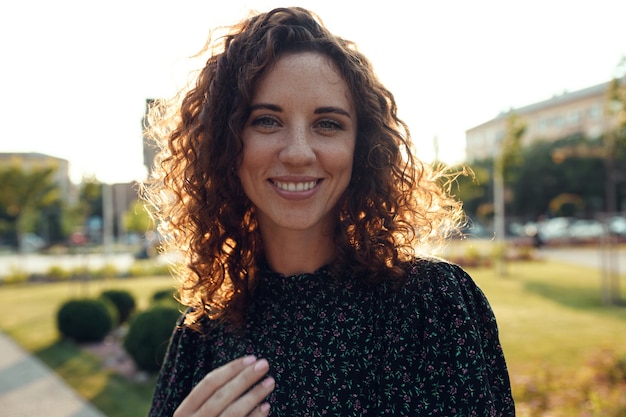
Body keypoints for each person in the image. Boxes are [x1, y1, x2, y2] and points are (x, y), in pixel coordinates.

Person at [143, 6, 515, 416]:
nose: (299, 153)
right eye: (267, 120)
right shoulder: (201, 335)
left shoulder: (433, 305)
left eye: (328, 124)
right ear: (226, 144)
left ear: (363, 147)